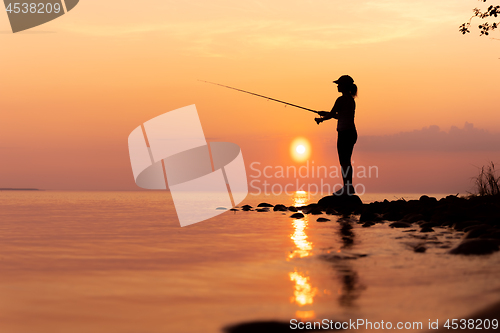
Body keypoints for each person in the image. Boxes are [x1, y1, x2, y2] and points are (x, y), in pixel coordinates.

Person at [315, 75, 358, 195]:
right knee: (347, 161)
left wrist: (321, 119)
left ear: (344, 86)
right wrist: (326, 114)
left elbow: (332, 114)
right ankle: (348, 187)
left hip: (344, 133)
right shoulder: (351, 100)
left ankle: (347, 187)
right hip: (351, 132)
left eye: (339, 84)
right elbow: (339, 115)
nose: (337, 86)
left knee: (344, 161)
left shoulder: (341, 99)